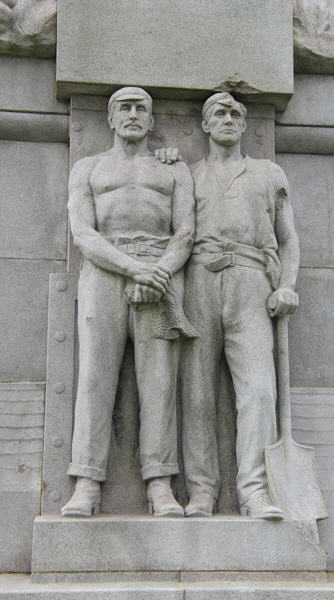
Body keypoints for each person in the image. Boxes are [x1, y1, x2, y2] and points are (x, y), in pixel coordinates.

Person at [61, 87, 196, 518]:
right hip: (105, 271)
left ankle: (160, 485)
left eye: (142, 108)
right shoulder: (89, 168)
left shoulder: (174, 170)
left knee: (159, 382)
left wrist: (158, 271)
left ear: (152, 121)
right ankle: (86, 482)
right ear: (111, 118)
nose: (134, 114)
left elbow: (186, 233)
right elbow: (83, 233)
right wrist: (132, 268)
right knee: (95, 377)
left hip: (160, 273)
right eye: (125, 107)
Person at [180, 92, 300, 519]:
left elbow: (288, 238)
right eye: (219, 114)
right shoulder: (187, 174)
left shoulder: (268, 173)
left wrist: (286, 284)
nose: (228, 119)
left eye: (235, 113)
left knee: (259, 391)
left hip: (252, 281)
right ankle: (202, 491)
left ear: (245, 125)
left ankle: (253, 491)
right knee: (197, 391)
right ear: (206, 126)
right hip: (198, 279)